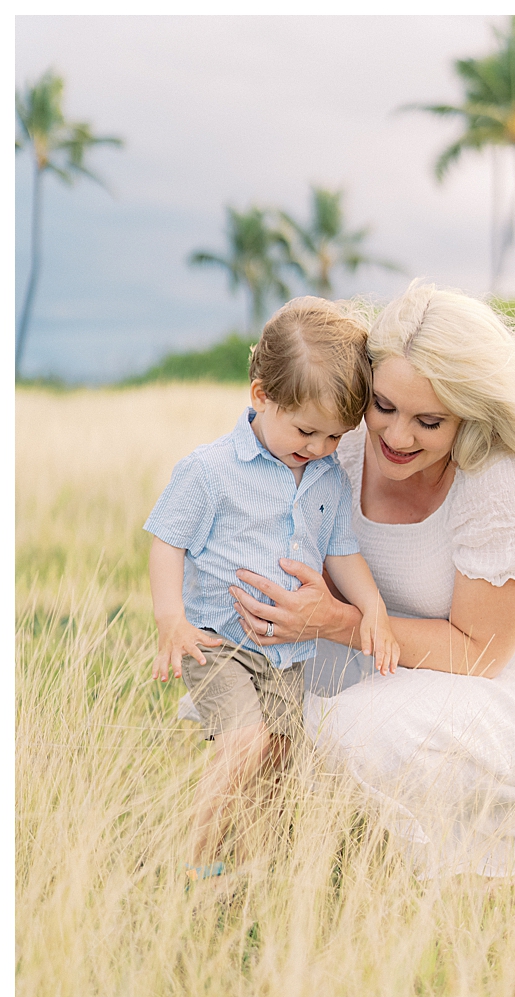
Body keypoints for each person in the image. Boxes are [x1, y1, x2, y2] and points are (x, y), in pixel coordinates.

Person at [226, 281, 515, 879]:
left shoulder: (503, 482)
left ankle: (431, 866)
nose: (396, 438)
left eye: (429, 421)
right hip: (397, 642)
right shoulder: (338, 450)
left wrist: (338, 622)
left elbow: (482, 652)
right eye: (383, 408)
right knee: (252, 681)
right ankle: (267, 858)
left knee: (353, 728)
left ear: (468, 416)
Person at [147, 297, 399, 886]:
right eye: (307, 430)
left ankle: (260, 863)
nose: (318, 447)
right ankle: (192, 860)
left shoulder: (326, 477)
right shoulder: (209, 470)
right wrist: (171, 620)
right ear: (261, 395)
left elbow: (342, 551)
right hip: (220, 641)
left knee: (281, 756)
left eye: (336, 436)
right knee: (243, 741)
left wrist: (374, 608)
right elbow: (167, 541)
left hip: (287, 652)